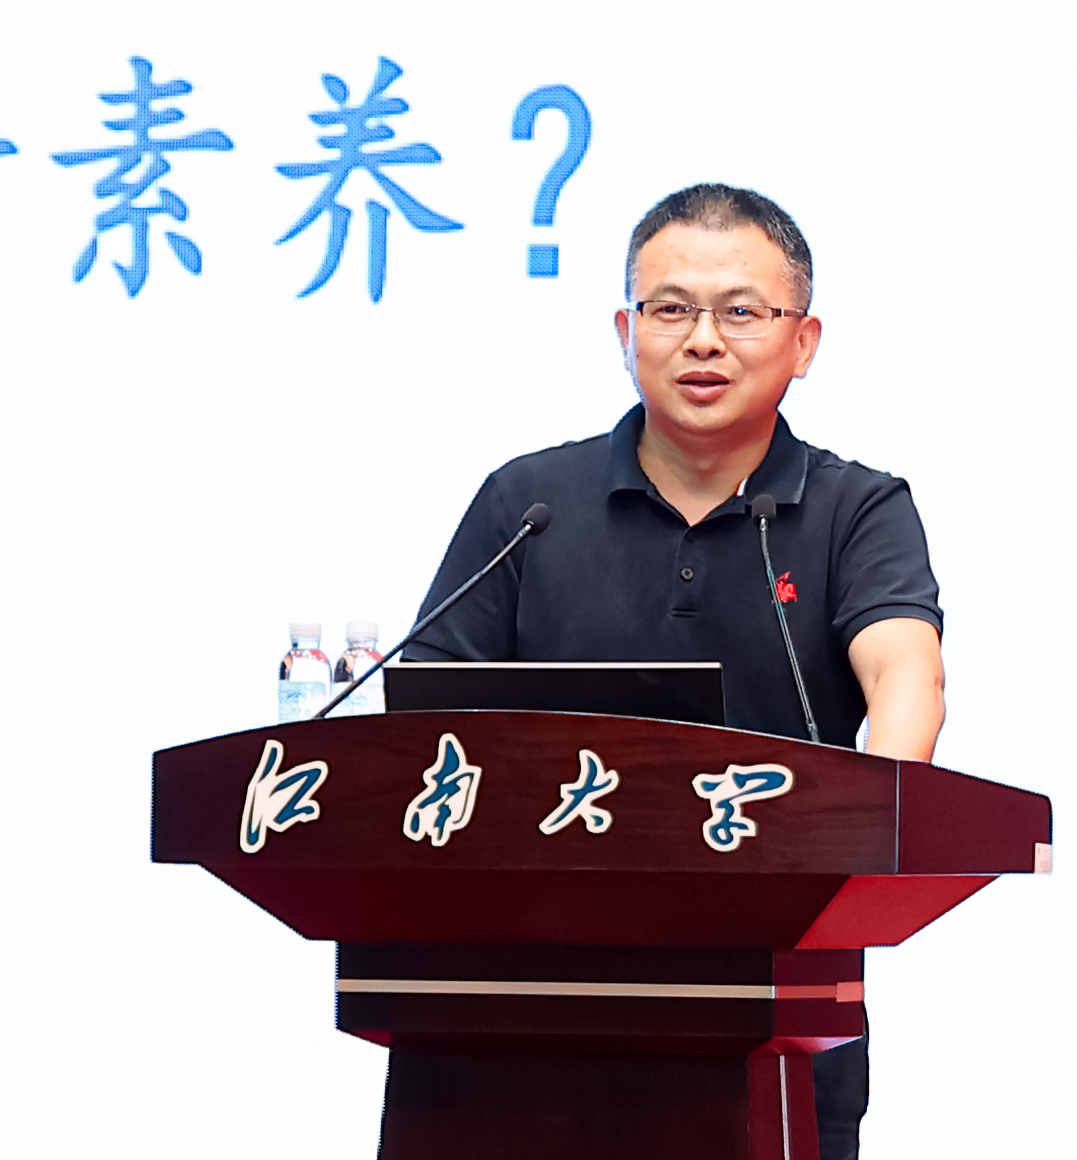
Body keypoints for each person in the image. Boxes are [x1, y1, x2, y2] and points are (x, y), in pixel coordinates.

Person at [404, 183, 945, 1160]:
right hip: (513, 1002)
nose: (703, 340)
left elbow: (905, 673)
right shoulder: (529, 503)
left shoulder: (855, 510)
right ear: (625, 332)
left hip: (769, 992)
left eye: (740, 311)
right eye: (670, 309)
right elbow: (425, 715)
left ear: (803, 341)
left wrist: (877, 822)